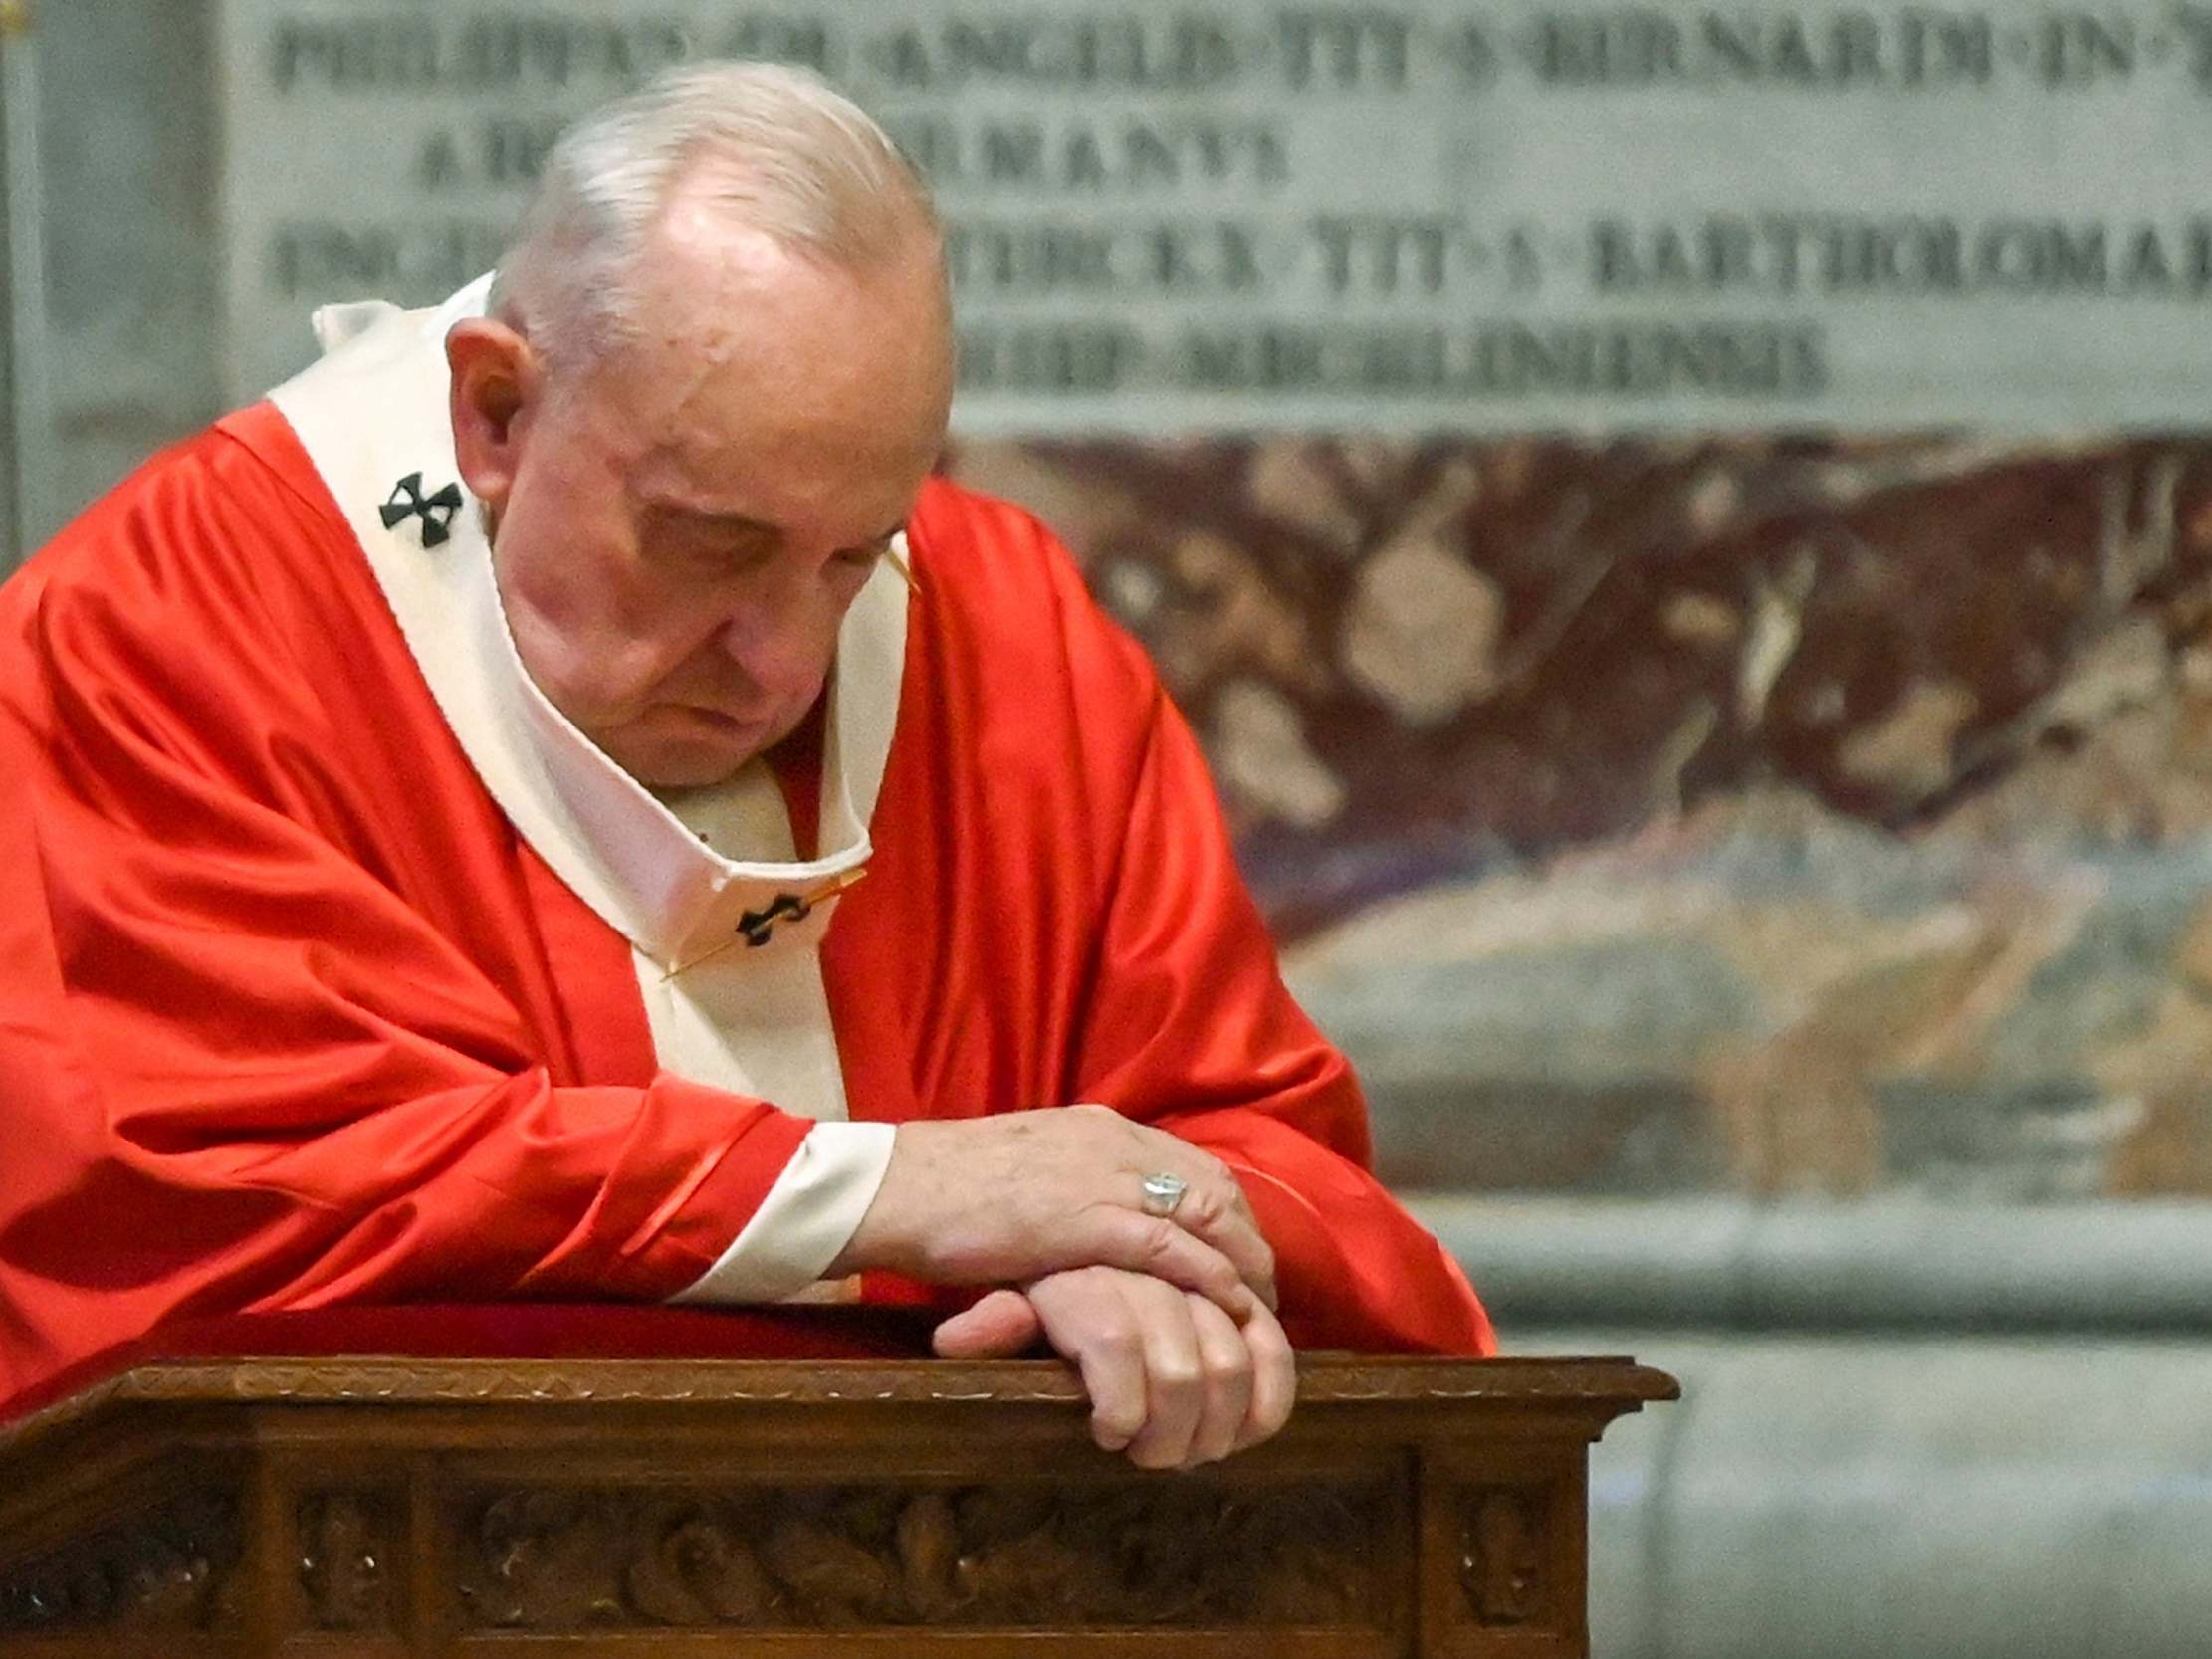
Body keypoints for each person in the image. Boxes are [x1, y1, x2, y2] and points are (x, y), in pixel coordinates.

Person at [0, 63, 1492, 1466]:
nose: (783, 660)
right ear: (498, 411)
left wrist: (1137, 1268)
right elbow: (218, 1186)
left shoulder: (998, 621)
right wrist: (915, 1195)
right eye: (712, 546)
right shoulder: (174, 630)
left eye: (850, 553)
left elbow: (1249, 1137)